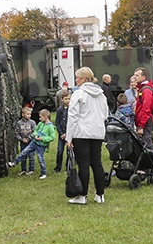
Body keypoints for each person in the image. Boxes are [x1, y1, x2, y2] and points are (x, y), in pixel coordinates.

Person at [65, 67, 109, 205]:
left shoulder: (79, 94)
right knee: (97, 163)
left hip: (82, 132)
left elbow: (72, 117)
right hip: (97, 132)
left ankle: (82, 195)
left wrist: (69, 137)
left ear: (83, 79)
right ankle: (100, 194)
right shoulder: (101, 95)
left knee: (83, 164)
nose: (76, 80)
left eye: (77, 77)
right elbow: (106, 114)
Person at [8, 108, 56, 179]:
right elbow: (35, 131)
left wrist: (43, 139)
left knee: (40, 158)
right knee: (24, 152)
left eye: (41, 117)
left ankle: (43, 173)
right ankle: (15, 162)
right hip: (34, 142)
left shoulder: (50, 127)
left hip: (41, 145)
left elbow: (52, 137)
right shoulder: (40, 123)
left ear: (45, 117)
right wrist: (35, 135)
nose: (39, 119)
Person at [133, 67, 153, 180]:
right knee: (144, 146)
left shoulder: (146, 90)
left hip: (145, 122)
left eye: (137, 75)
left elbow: (146, 109)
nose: (135, 77)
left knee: (148, 146)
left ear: (144, 77)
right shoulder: (142, 89)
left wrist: (141, 125)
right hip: (143, 121)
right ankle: (147, 169)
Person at [13, 106, 37, 175]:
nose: (29, 115)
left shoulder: (32, 122)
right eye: (27, 114)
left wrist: (29, 138)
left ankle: (31, 170)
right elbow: (16, 133)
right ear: (23, 114)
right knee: (23, 156)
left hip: (31, 142)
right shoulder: (19, 123)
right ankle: (23, 169)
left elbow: (34, 131)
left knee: (31, 156)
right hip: (22, 142)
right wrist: (21, 139)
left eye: (30, 114)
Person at [53, 90, 71, 172]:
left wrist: (68, 133)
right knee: (60, 151)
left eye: (69, 99)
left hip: (69, 134)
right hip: (61, 134)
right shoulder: (60, 110)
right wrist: (61, 133)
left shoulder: (72, 109)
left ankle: (68, 166)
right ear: (62, 99)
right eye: (66, 99)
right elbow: (57, 122)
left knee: (69, 151)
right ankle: (58, 166)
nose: (68, 100)